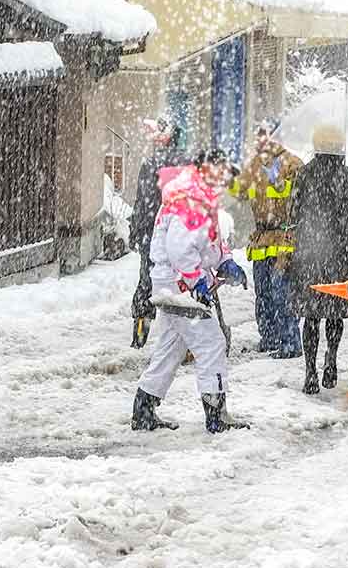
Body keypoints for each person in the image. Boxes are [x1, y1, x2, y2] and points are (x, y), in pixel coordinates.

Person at [131, 149, 252, 433]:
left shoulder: (199, 196)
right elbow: (180, 249)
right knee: (212, 343)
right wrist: (196, 280)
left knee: (172, 346)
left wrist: (225, 261)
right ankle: (216, 415)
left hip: (172, 283)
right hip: (180, 286)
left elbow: (206, 242)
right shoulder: (189, 200)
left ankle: (144, 408)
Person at [287, 125, 348, 394]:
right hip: (341, 254)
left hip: (310, 253)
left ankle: (310, 371)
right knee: (335, 313)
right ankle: (330, 360)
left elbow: (293, 213)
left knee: (311, 315)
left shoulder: (304, 175)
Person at [232, 119, 304, 358]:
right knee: (263, 293)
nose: (261, 140)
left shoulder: (292, 163)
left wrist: (285, 184)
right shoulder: (254, 164)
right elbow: (239, 192)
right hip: (262, 238)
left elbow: (303, 197)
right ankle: (270, 337)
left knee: (281, 292)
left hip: (285, 238)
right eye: (258, 135)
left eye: (265, 134)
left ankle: (290, 342)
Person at [128, 117, 189, 348]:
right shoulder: (188, 164)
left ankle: (141, 332)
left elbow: (143, 202)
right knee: (185, 281)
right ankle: (185, 336)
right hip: (182, 233)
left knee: (147, 281)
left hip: (154, 233)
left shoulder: (152, 163)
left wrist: (137, 230)